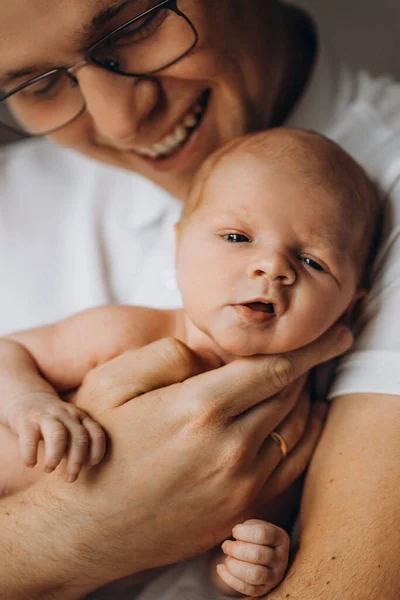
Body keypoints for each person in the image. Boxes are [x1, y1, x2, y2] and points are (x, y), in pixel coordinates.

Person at [0, 0, 400, 598]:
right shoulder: (121, 326)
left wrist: (261, 548)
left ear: (353, 300)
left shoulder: (307, 411)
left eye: (133, 28)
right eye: (38, 84)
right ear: (179, 243)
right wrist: (74, 523)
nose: (120, 123)